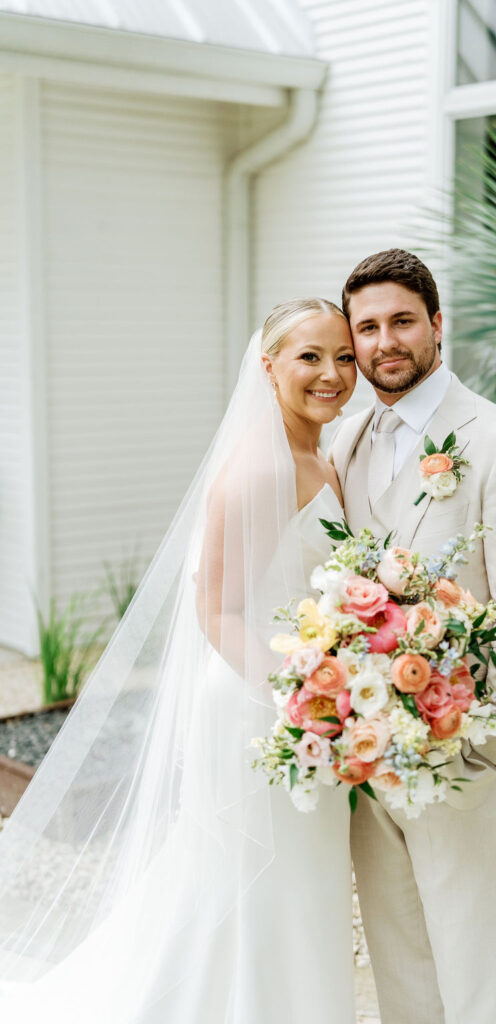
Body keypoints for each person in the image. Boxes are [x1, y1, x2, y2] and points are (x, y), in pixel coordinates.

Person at [0, 298, 358, 1024]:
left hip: (309, 704)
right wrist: (308, 702)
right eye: (310, 357)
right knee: (254, 881)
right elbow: (216, 608)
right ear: (268, 367)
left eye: (343, 357)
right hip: (263, 706)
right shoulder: (261, 469)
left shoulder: (319, 454)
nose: (331, 374)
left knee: (299, 883)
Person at [329, 248, 496, 1024]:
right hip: (366, 758)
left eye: (401, 320)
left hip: (458, 758)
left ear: (437, 325)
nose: (383, 341)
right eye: (366, 327)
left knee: (470, 969)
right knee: (398, 961)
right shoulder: (347, 440)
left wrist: (470, 745)